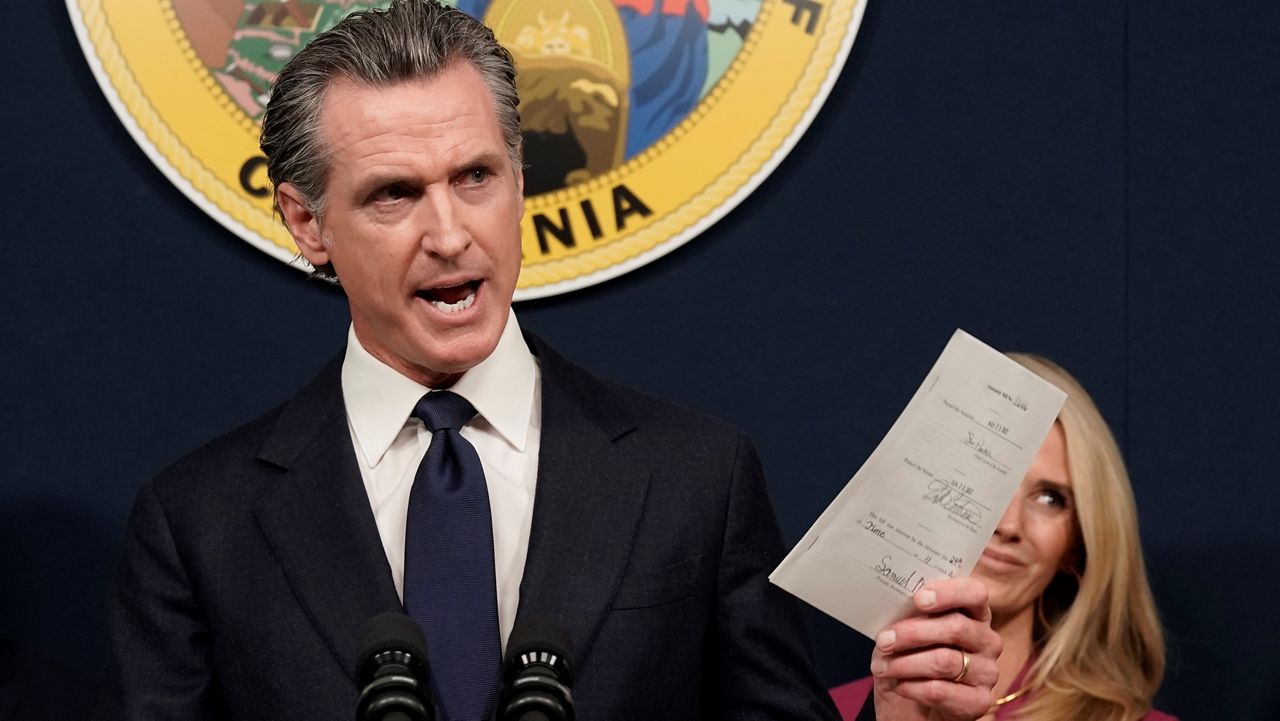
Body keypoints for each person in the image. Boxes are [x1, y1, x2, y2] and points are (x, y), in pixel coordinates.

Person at [93, 2, 999, 719]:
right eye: (395, 194)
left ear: (520, 180)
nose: (449, 233)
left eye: (475, 177)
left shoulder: (696, 479)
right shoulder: (199, 524)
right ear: (306, 221)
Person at [831, 354, 1175, 721]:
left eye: (1049, 499)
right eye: (988, 485)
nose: (1009, 526)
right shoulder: (828, 711)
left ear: (1077, 548)